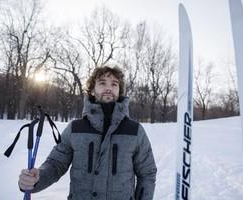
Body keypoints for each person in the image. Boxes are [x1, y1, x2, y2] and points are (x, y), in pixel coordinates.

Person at [18, 65, 157, 200]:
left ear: (119, 91)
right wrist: (37, 178)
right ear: (92, 90)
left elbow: (147, 175)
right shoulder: (75, 128)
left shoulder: (135, 130)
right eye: (102, 83)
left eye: (114, 84)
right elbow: (55, 165)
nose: (109, 87)